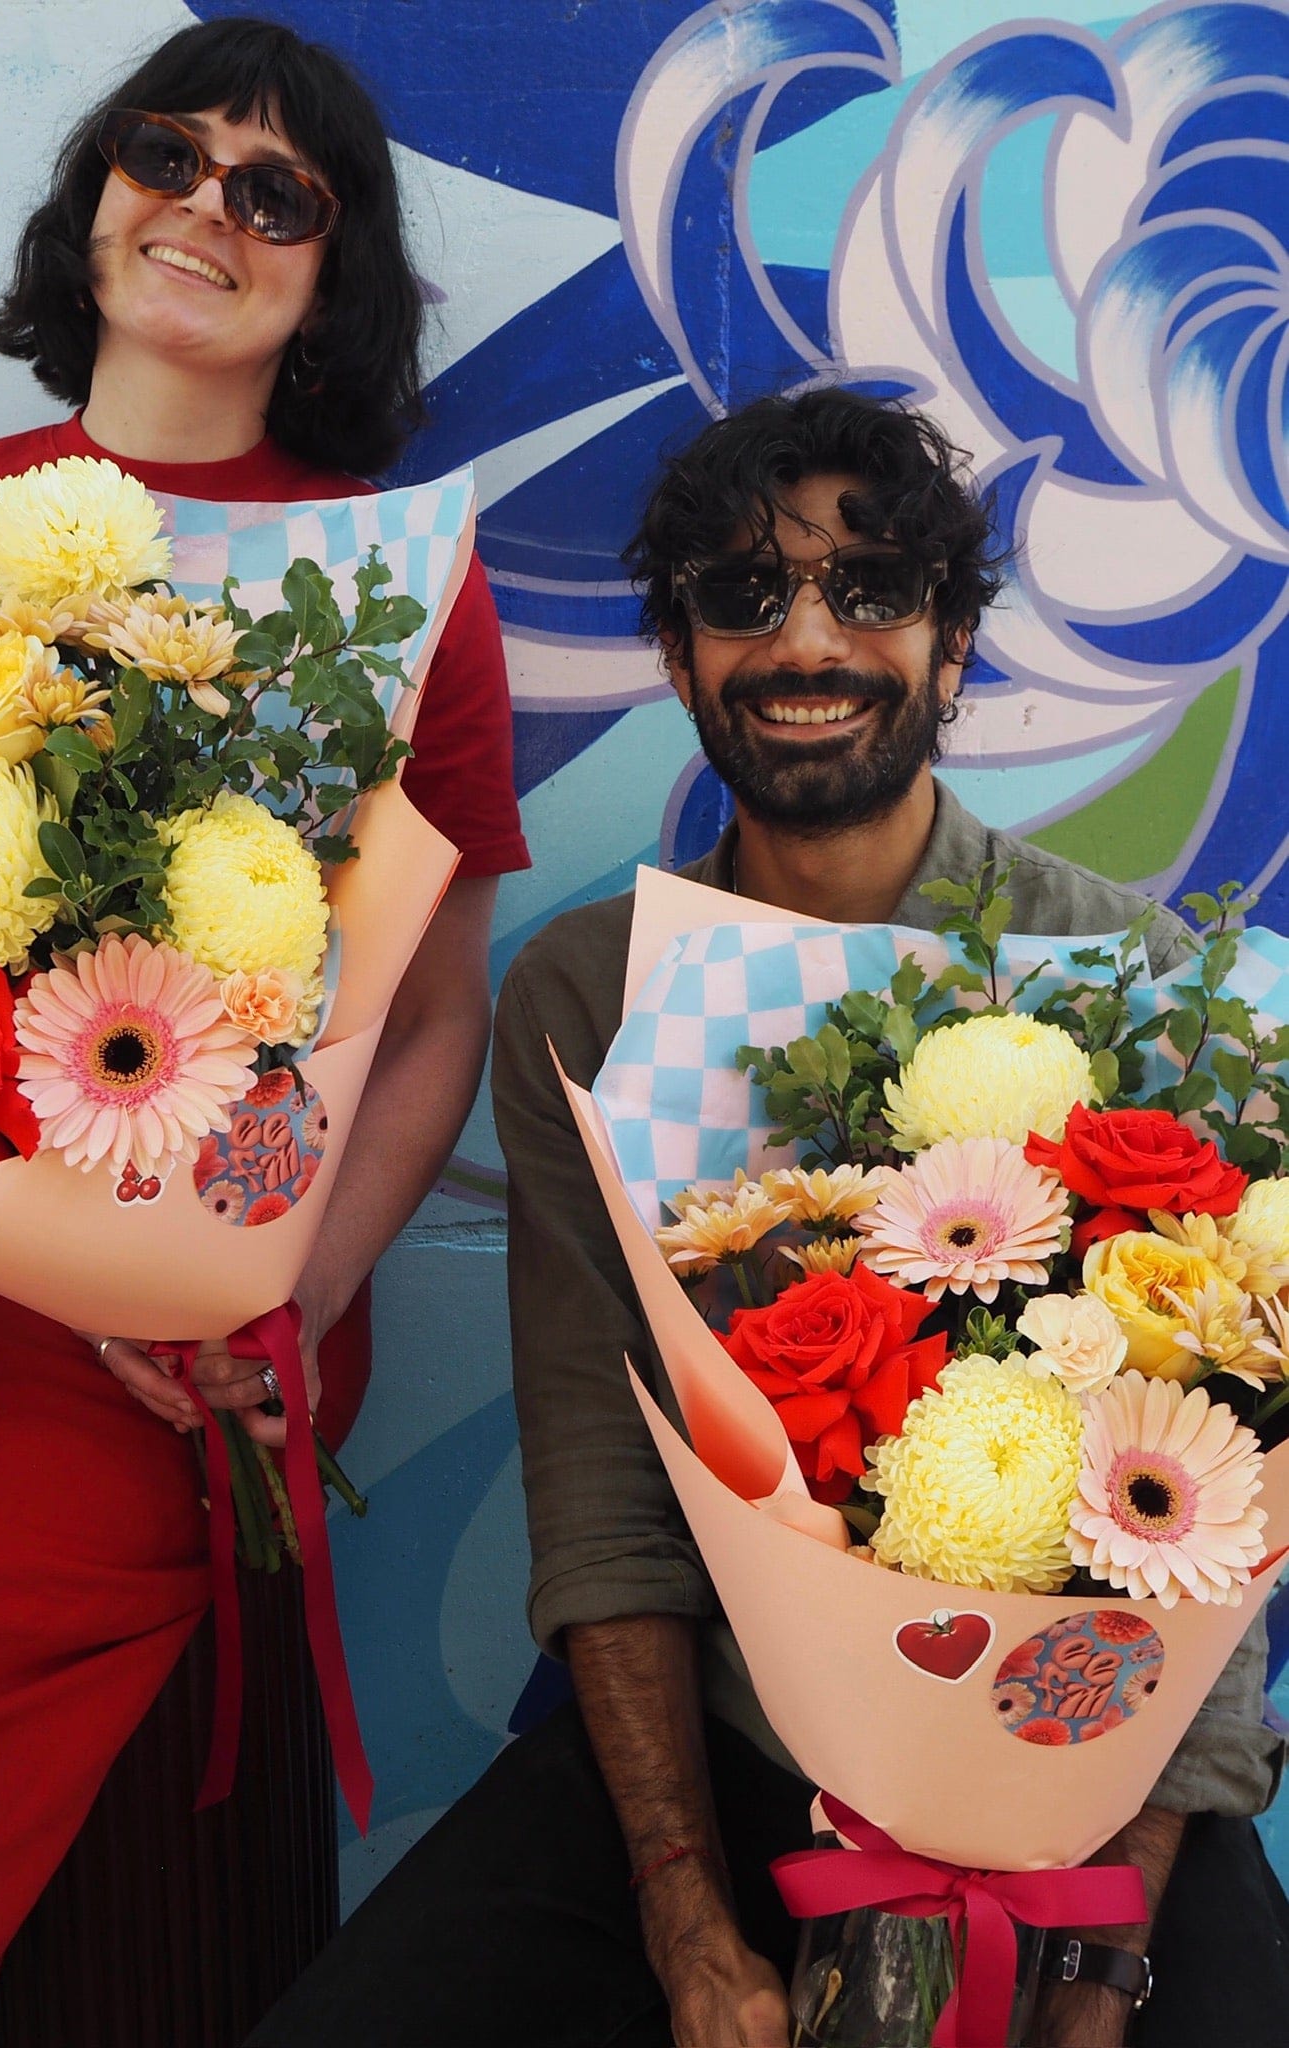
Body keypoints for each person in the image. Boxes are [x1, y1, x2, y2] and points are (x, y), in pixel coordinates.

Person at [0, 18, 526, 2048]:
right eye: (168, 150)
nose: (207, 206)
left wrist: (288, 1299)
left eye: (277, 189)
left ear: (334, 271)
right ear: (98, 190)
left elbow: (435, 1014)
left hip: (190, 1277)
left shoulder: (402, 586)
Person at [246, 386, 1289, 2048]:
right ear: (678, 661)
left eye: (870, 590)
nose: (807, 638)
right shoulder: (589, 999)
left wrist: (1096, 1970)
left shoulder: (1124, 982)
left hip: (1087, 1762)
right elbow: (604, 1494)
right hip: (734, 1745)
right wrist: (688, 1931)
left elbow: (1225, 1522)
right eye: (742, 597)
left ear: (951, 651)